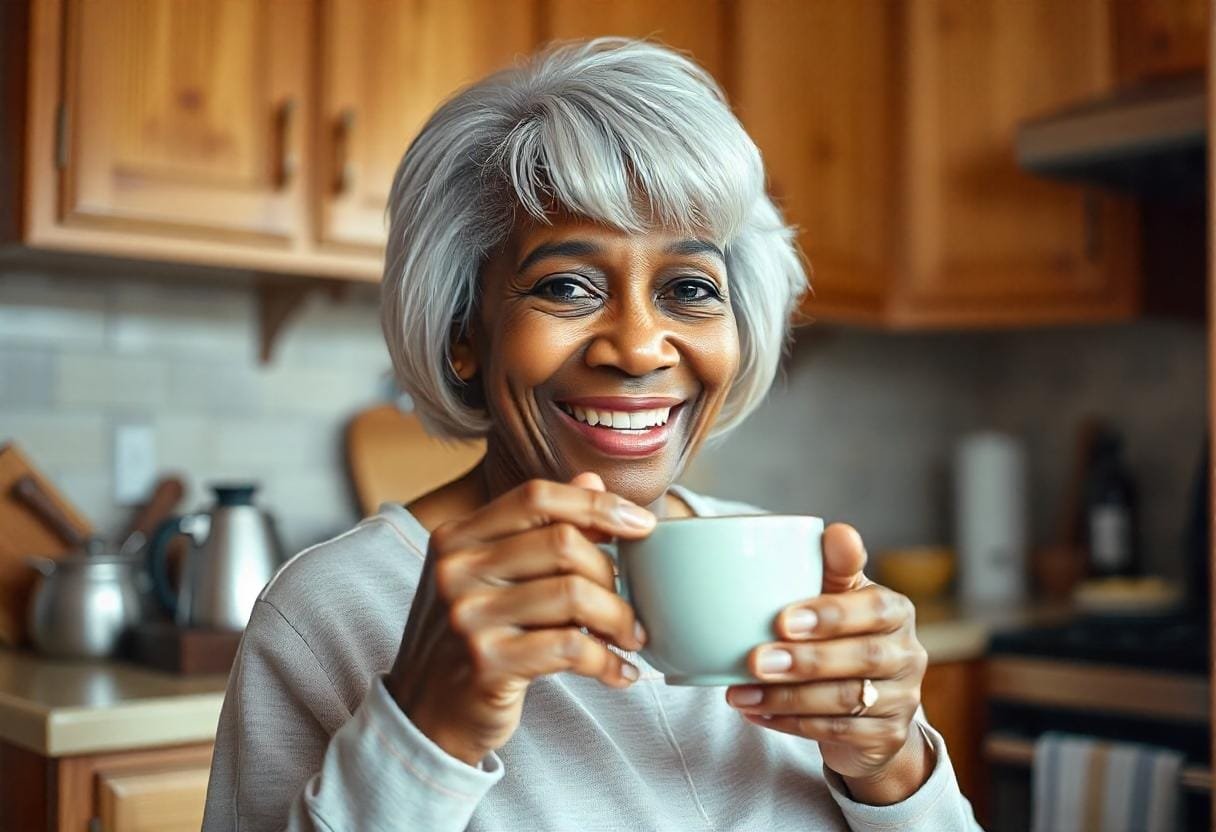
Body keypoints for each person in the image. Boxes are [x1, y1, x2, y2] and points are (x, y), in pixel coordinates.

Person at [201, 38, 983, 831]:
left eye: (689, 288)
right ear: (463, 331)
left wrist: (894, 770)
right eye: (567, 286)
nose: (640, 347)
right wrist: (421, 734)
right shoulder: (333, 613)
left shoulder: (780, 581)